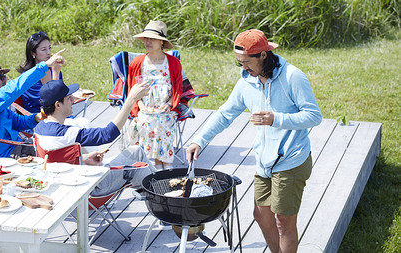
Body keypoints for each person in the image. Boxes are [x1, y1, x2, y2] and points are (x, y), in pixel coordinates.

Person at [186, 29, 322, 253]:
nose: (244, 68)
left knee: (283, 222)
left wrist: (275, 119)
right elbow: (224, 114)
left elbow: (313, 116)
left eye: (247, 62)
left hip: (291, 160)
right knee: (260, 215)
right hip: (264, 162)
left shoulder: (292, 77)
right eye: (240, 63)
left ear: (263, 55)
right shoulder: (247, 83)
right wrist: (199, 140)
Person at [34, 79, 157, 197]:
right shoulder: (66, 133)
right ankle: (164, 192)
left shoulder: (39, 129)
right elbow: (107, 134)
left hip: (64, 187)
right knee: (137, 154)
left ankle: (161, 190)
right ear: (58, 105)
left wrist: (84, 158)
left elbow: (57, 160)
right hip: (90, 187)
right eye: (68, 98)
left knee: (142, 170)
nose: (73, 99)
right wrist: (131, 99)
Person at [0, 52, 65, 159]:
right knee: (59, 151)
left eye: (4, 76)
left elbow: (17, 123)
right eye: (0, 77)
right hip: (6, 156)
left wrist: (37, 117)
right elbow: (13, 88)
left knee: (60, 143)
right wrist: (44, 66)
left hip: (17, 147)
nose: (5, 80)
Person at [127, 20, 183, 170]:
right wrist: (140, 105)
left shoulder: (172, 62)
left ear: (162, 42)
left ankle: (165, 161)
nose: (148, 41)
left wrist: (169, 104)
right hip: (144, 108)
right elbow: (132, 89)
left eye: (152, 38)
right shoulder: (138, 62)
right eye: (146, 38)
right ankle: (156, 162)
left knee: (164, 120)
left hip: (166, 107)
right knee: (146, 121)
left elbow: (178, 88)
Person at [17, 31, 64, 113]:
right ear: (33, 53)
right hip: (38, 119)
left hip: (58, 114)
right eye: (44, 49)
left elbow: (61, 93)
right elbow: (50, 103)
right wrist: (56, 74)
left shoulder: (52, 69)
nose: (49, 52)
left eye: (49, 48)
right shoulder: (28, 76)